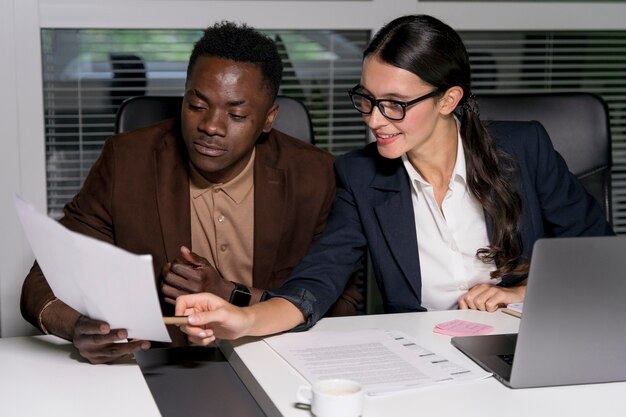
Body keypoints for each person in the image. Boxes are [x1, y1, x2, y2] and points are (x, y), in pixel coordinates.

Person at [172, 14, 614, 346]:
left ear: (449, 99)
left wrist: (518, 291)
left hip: (534, 338)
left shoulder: (525, 148)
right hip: (428, 354)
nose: (375, 120)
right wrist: (243, 320)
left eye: (396, 104)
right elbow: (317, 283)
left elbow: (600, 256)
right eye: (367, 99)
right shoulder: (360, 176)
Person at [20, 21, 361, 364]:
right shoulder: (127, 162)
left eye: (237, 114)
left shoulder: (315, 175)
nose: (211, 126)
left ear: (268, 119)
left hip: (275, 361)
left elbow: (342, 304)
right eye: (197, 105)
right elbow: (42, 281)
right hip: (161, 366)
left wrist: (231, 294)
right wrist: (76, 327)